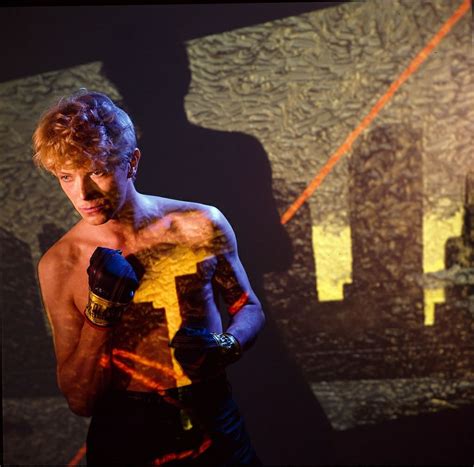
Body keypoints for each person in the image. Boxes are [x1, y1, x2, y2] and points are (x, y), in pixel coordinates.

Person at [33, 89, 265, 465]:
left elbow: (249, 306)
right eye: (66, 176)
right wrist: (101, 313)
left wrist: (227, 344)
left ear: (132, 162)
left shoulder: (200, 225)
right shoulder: (60, 264)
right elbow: (80, 399)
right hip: (127, 435)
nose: (83, 193)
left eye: (97, 171)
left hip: (212, 417)